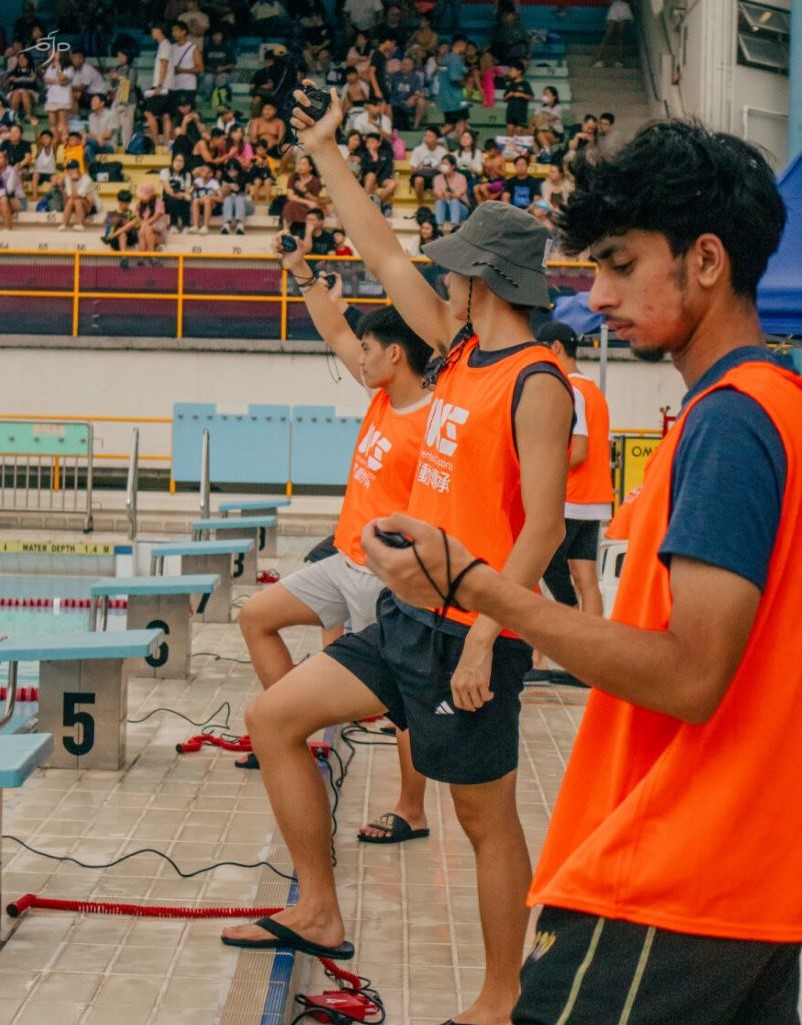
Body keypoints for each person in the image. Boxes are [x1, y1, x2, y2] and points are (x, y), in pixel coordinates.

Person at [361, 119, 800, 1025]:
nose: (595, 296)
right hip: (747, 885)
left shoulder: (733, 420)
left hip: (672, 879)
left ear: (706, 259)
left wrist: (471, 585)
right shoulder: (768, 408)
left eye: (619, 263)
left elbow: (689, 675)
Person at [221, 86, 574, 1025]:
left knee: (484, 819)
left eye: (454, 272)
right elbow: (379, 247)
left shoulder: (538, 383)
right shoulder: (457, 352)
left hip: (475, 633)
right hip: (404, 615)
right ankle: (318, 905)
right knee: (275, 716)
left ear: (484, 281)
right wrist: (328, 154)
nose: (440, 280)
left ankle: (502, 999)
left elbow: (542, 529)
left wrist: (484, 635)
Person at [234, 236, 432, 772]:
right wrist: (301, 272)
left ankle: (410, 810)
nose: (357, 358)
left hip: (383, 577)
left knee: (402, 702)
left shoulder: (433, 423)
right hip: (342, 562)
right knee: (256, 617)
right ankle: (295, 725)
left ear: (395, 353)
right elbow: (336, 330)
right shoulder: (384, 399)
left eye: (368, 350)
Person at [538, 321, 613, 618]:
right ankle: (593, 653)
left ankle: (564, 622)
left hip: (571, 498)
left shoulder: (569, 390)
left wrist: (539, 466)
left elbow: (578, 451)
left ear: (555, 347)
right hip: (595, 500)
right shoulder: (594, 392)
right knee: (587, 581)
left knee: (544, 567)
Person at [144, 23, 175, 150]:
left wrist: (159, 85)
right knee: (166, 115)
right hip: (168, 86)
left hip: (161, 86)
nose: (152, 33)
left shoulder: (164, 46)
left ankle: (156, 142)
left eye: (154, 30)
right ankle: (166, 143)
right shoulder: (167, 45)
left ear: (159, 30)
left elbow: (164, 65)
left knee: (148, 113)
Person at [436, 34, 469, 140]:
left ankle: (431, 138)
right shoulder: (455, 58)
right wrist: (467, 85)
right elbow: (455, 78)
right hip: (455, 99)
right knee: (461, 122)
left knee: (450, 125)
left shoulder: (448, 58)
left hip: (446, 98)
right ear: (461, 45)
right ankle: (462, 148)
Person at [282, 154, 323, 233]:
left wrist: (305, 191)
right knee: (290, 205)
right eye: (299, 164)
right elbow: (290, 196)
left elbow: (315, 200)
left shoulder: (315, 181)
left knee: (315, 209)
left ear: (310, 168)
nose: (300, 166)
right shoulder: (293, 177)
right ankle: (285, 231)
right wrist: (307, 202)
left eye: (304, 164)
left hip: (308, 206)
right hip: (298, 202)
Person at [107, 47, 138, 149]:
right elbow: (113, 85)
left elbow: (131, 85)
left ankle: (127, 147)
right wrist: (112, 77)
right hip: (117, 99)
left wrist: (119, 77)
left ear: (127, 57)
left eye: (122, 56)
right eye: (118, 56)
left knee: (126, 127)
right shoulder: (116, 68)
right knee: (114, 124)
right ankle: (113, 147)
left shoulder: (132, 70)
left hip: (128, 101)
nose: (119, 58)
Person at [170, 20, 204, 112]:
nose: (173, 33)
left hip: (188, 86)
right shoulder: (171, 47)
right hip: (174, 85)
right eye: (172, 31)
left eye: (176, 30)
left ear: (184, 32)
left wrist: (182, 70)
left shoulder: (193, 48)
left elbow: (200, 68)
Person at [58, 159, 100, 231]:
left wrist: (73, 181)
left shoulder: (86, 179)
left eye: (71, 169)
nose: (69, 171)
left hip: (92, 207)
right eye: (68, 169)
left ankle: (81, 225)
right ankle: (64, 224)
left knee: (77, 200)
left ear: (77, 169)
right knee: (71, 200)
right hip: (76, 203)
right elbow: (70, 195)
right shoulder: (68, 178)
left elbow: (76, 195)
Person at [359, 132, 396, 213]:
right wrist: (374, 159)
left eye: (372, 142)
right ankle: (368, 204)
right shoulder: (364, 155)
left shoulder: (386, 154)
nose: (369, 144)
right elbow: (366, 171)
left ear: (379, 143)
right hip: (368, 178)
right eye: (368, 142)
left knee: (392, 184)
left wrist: (380, 180)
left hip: (382, 178)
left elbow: (388, 169)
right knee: (371, 175)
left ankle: (376, 202)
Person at [42, 49, 74, 144]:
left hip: (63, 98)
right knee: (52, 124)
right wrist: (58, 82)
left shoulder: (69, 68)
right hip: (51, 97)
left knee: (62, 124)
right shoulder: (50, 67)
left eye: (55, 53)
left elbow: (62, 78)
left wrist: (58, 66)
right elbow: (46, 80)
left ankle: (64, 143)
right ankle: (54, 143)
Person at [409, 126, 448, 203]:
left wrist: (435, 169)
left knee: (438, 181)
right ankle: (421, 205)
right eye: (426, 136)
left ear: (436, 138)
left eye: (430, 136)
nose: (427, 138)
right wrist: (422, 169)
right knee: (418, 180)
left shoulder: (443, 151)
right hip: (421, 175)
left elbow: (446, 170)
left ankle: (437, 207)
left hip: (435, 176)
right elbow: (412, 170)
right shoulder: (418, 150)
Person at [388, 56, 427, 131]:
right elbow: (388, 91)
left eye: (406, 65)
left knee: (421, 101)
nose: (403, 66)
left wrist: (413, 98)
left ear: (412, 66)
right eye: (402, 64)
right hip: (395, 103)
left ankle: (415, 127)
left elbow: (418, 92)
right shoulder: (394, 76)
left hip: (408, 104)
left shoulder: (415, 78)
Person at [200, 26, 236, 102]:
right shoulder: (207, 48)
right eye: (214, 35)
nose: (216, 37)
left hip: (224, 72)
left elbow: (232, 63)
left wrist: (222, 68)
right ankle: (207, 99)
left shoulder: (227, 48)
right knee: (207, 79)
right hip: (210, 72)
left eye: (218, 35)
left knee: (220, 80)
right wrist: (211, 69)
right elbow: (202, 63)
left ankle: (222, 99)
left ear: (222, 36)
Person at [101, 187, 139, 257]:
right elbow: (108, 229)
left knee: (125, 230)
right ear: (118, 202)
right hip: (115, 240)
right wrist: (109, 235)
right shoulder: (113, 213)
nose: (123, 205)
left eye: (126, 203)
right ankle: (123, 256)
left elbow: (136, 228)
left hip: (130, 238)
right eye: (121, 203)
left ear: (129, 203)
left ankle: (123, 256)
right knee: (121, 233)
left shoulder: (133, 214)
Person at [594, 0, 634, 67]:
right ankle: (599, 58)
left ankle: (619, 60)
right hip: (614, 8)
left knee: (620, 35)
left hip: (624, 8)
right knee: (608, 34)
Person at [432, 153, 469, 226]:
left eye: (446, 164)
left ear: (453, 166)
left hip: (460, 209)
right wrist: (443, 195)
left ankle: (454, 225)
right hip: (445, 210)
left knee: (454, 201)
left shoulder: (461, 177)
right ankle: (439, 226)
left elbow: (457, 195)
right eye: (442, 164)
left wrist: (449, 195)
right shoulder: (437, 178)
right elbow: (438, 194)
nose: (443, 166)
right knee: (439, 201)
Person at [160, 151, 193, 230]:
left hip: (181, 198)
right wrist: (183, 195)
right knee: (174, 201)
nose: (179, 163)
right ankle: (173, 225)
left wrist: (185, 195)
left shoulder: (187, 175)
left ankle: (186, 225)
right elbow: (169, 191)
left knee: (186, 202)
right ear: (172, 161)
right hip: (168, 198)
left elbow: (187, 191)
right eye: (177, 160)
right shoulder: (165, 171)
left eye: (181, 161)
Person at [5, 50, 39, 127]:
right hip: (15, 93)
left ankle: (28, 115)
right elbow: (7, 84)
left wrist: (17, 79)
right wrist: (9, 80)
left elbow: (34, 81)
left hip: (31, 93)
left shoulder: (33, 70)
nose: (21, 61)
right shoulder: (14, 71)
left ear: (28, 60)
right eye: (19, 59)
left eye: (23, 59)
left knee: (23, 92)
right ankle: (14, 116)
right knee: (18, 92)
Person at [187, 162, 222, 233]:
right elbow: (189, 192)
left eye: (204, 170)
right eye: (201, 169)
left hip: (212, 206)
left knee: (207, 200)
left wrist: (210, 197)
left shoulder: (214, 183)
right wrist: (193, 188)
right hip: (200, 205)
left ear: (210, 174)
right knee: (195, 200)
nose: (201, 171)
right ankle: (195, 226)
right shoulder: (198, 181)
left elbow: (221, 198)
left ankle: (205, 226)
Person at [532, 85, 564, 161]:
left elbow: (548, 118)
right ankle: (538, 155)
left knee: (540, 134)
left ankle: (548, 156)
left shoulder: (558, 107)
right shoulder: (540, 107)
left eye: (547, 94)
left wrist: (538, 121)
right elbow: (534, 119)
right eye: (544, 94)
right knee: (530, 139)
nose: (545, 96)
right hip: (541, 131)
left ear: (554, 96)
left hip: (556, 134)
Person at [85, 94, 119, 163]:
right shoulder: (91, 116)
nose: (92, 103)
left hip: (109, 146)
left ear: (102, 103)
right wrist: (98, 138)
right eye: (91, 101)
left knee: (85, 139)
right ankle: (95, 170)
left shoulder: (111, 115)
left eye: (94, 101)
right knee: (88, 148)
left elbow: (108, 135)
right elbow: (92, 134)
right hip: (95, 144)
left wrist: (95, 137)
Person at [503, 60, 533, 137]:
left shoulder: (525, 84)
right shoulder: (510, 85)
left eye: (512, 70)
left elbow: (531, 97)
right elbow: (504, 98)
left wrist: (521, 95)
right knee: (509, 131)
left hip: (521, 114)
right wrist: (509, 95)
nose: (510, 73)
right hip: (510, 113)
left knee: (518, 133)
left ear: (519, 71)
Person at [473, 137, 506, 204]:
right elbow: (486, 176)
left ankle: (490, 205)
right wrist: (485, 170)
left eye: (490, 151)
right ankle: (481, 206)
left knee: (483, 187)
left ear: (496, 149)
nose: (489, 153)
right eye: (487, 151)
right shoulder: (486, 160)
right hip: (490, 181)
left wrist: (495, 169)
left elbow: (504, 174)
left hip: (499, 182)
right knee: (475, 188)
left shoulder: (500, 159)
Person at [0, 150, 24, 230]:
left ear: (6, 161)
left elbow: (9, 191)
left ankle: (8, 229)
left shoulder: (11, 171)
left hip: (18, 201)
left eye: (0, 158)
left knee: (3, 200)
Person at [30, 128, 56, 199]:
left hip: (50, 174)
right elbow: (36, 138)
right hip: (39, 173)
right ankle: (34, 197)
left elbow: (57, 140)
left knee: (54, 179)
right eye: (43, 138)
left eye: (47, 138)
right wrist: (35, 126)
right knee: (35, 175)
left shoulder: (53, 148)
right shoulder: (40, 147)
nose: (45, 140)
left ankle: (49, 198)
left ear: (51, 139)